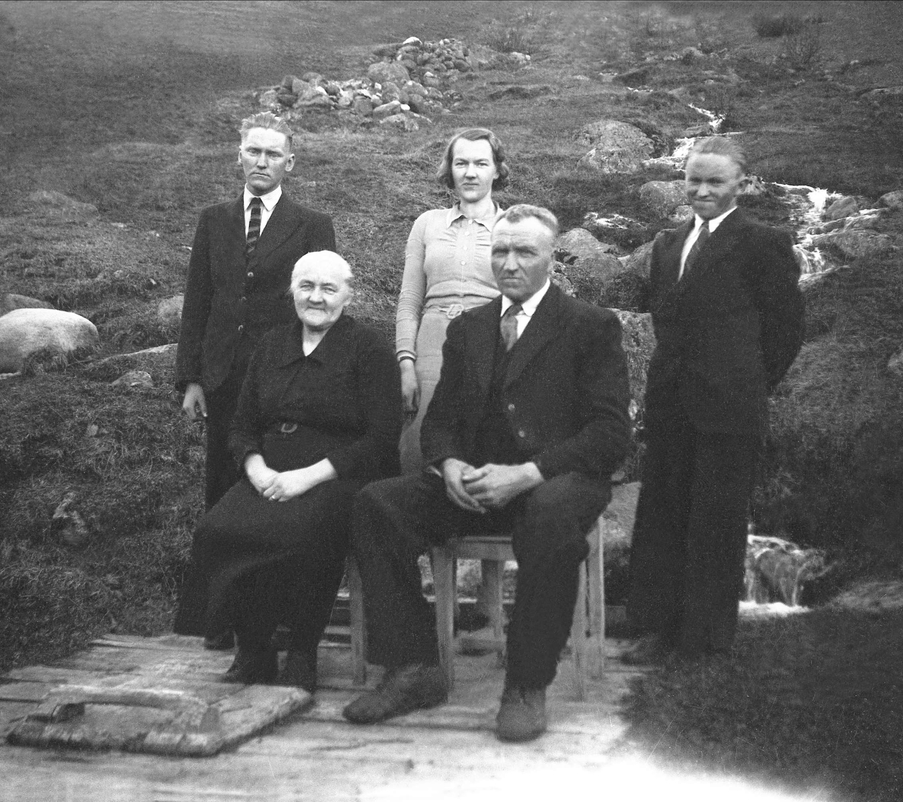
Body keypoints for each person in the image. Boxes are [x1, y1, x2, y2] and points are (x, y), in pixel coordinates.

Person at [342, 205, 631, 743]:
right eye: (500, 251)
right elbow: (443, 419)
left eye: (525, 252)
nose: (510, 263)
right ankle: (414, 668)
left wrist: (529, 473)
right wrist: (448, 464)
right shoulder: (470, 326)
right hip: (475, 482)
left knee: (546, 518)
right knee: (377, 504)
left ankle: (526, 683)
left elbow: (611, 434)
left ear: (552, 259)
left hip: (557, 481)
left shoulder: (590, 326)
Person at [173, 251, 402, 692]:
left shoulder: (369, 348)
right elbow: (242, 425)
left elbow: (380, 438)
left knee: (302, 531)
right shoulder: (272, 345)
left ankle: (301, 650)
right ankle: (254, 647)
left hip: (339, 474)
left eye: (329, 289)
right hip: (271, 466)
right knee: (219, 528)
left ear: (348, 296)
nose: (316, 298)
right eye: (307, 287)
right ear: (292, 292)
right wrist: (255, 468)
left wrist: (308, 477)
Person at [621, 136, 804, 666]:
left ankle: (704, 639)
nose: (701, 190)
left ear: (740, 186)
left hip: (732, 407)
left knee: (716, 520)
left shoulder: (764, 242)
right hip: (671, 403)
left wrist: (747, 383)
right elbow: (665, 321)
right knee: (663, 513)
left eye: (714, 182)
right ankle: (656, 628)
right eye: (693, 180)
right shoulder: (666, 244)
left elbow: (785, 330)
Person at [176, 112, 336, 514]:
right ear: (240, 155)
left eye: (273, 154)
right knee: (221, 480)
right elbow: (198, 301)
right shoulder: (213, 220)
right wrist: (192, 378)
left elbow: (322, 307)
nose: (262, 162)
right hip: (222, 374)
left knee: (273, 483)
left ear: (290, 162)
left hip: (282, 375)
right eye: (254, 151)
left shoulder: (312, 226)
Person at [396, 128, 509, 471]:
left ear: (497, 170)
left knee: (481, 441)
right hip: (431, 341)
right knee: (419, 445)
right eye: (461, 163)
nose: (470, 172)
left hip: (491, 341)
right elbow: (410, 299)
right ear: (450, 169)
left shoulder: (513, 224)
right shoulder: (427, 223)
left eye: (480, 163)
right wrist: (405, 363)